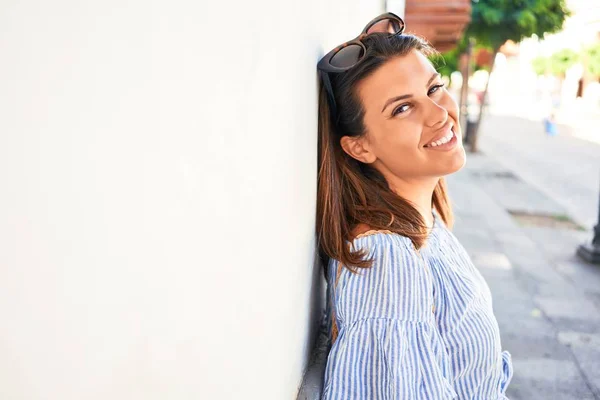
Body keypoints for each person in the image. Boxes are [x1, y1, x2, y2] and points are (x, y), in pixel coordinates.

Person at [315, 12, 514, 399]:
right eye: (402, 108)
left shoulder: (425, 224)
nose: (440, 114)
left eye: (434, 88)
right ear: (359, 146)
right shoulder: (386, 258)